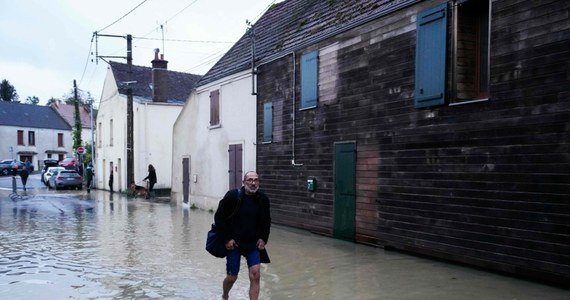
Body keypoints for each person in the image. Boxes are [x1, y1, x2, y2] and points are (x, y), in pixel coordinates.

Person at [215, 171, 271, 300]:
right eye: (250, 180)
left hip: (253, 243)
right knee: (232, 277)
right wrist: (227, 239)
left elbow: (266, 221)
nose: (253, 183)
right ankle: (225, 295)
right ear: (243, 182)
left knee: (256, 274)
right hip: (234, 243)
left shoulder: (263, 199)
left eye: (256, 180)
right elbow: (219, 218)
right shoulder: (233, 196)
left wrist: (263, 238)